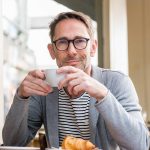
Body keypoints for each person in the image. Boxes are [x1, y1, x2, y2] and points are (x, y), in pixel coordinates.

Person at [2, 11, 150, 150]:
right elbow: (12, 142)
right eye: (62, 42)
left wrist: (103, 96)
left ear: (93, 48)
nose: (72, 51)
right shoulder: (44, 86)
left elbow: (141, 145)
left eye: (80, 41)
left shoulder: (117, 82)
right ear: (52, 51)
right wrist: (21, 97)